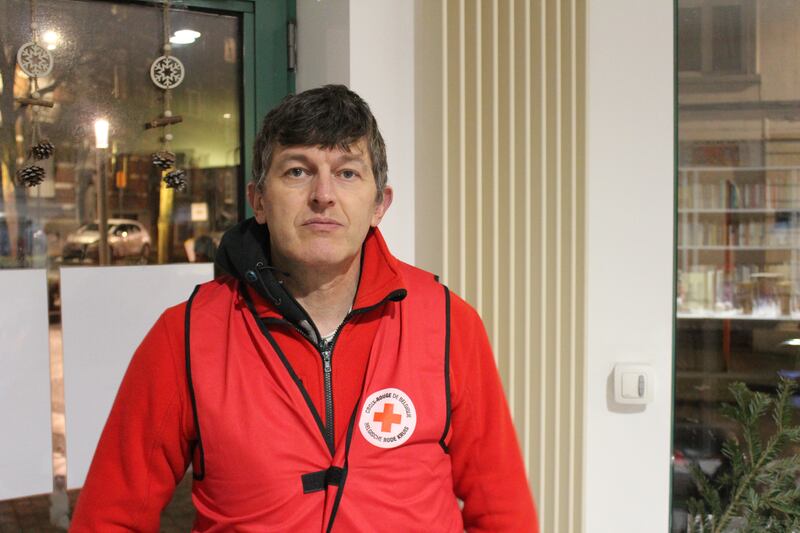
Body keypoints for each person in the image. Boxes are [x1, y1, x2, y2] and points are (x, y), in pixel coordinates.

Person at [71, 85, 538, 532]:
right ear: (258, 200)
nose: (323, 194)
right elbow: (109, 520)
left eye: (348, 172)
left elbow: (503, 511)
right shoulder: (186, 336)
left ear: (380, 204)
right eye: (297, 171)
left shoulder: (449, 323)